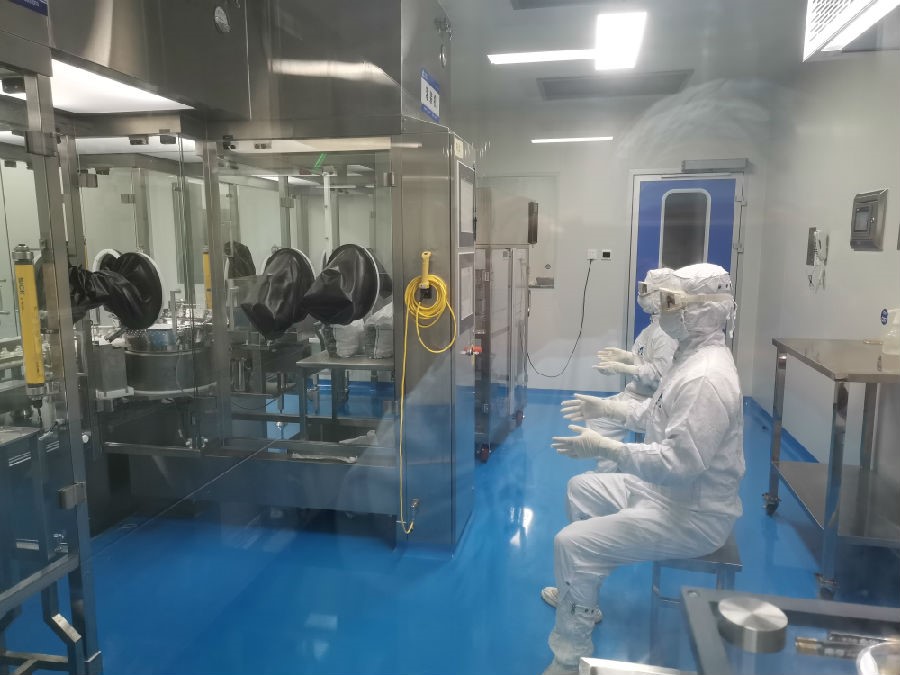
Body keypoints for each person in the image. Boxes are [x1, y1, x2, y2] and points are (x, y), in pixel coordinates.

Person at [540, 263, 745, 675]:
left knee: (571, 543)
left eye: (671, 302)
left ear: (701, 310)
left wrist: (610, 449)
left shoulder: (706, 378)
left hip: (693, 515)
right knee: (580, 488)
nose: (662, 310)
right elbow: (655, 411)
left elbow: (677, 464)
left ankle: (568, 657)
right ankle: (583, 590)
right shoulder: (690, 356)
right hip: (664, 495)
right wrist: (607, 409)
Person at [583, 267, 678, 472]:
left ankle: (608, 474)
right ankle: (610, 470)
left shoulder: (664, 334)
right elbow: (646, 359)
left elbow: (659, 376)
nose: (641, 295)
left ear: (662, 294)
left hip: (649, 400)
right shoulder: (655, 327)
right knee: (596, 415)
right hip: (637, 393)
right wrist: (627, 357)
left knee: (601, 418)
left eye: (646, 290)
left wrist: (624, 368)